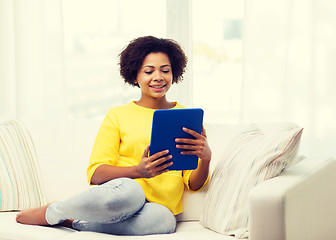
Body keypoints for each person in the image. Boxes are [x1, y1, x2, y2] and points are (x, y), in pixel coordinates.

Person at [16, 36, 212, 235]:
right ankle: (53, 211)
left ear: (174, 73)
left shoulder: (185, 117)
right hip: (123, 194)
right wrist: (139, 171)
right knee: (132, 193)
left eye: (165, 70)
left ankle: (70, 221)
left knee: (165, 221)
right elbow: (96, 173)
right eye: (149, 71)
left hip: (157, 208)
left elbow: (193, 183)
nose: (158, 76)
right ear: (135, 76)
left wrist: (205, 158)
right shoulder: (118, 115)